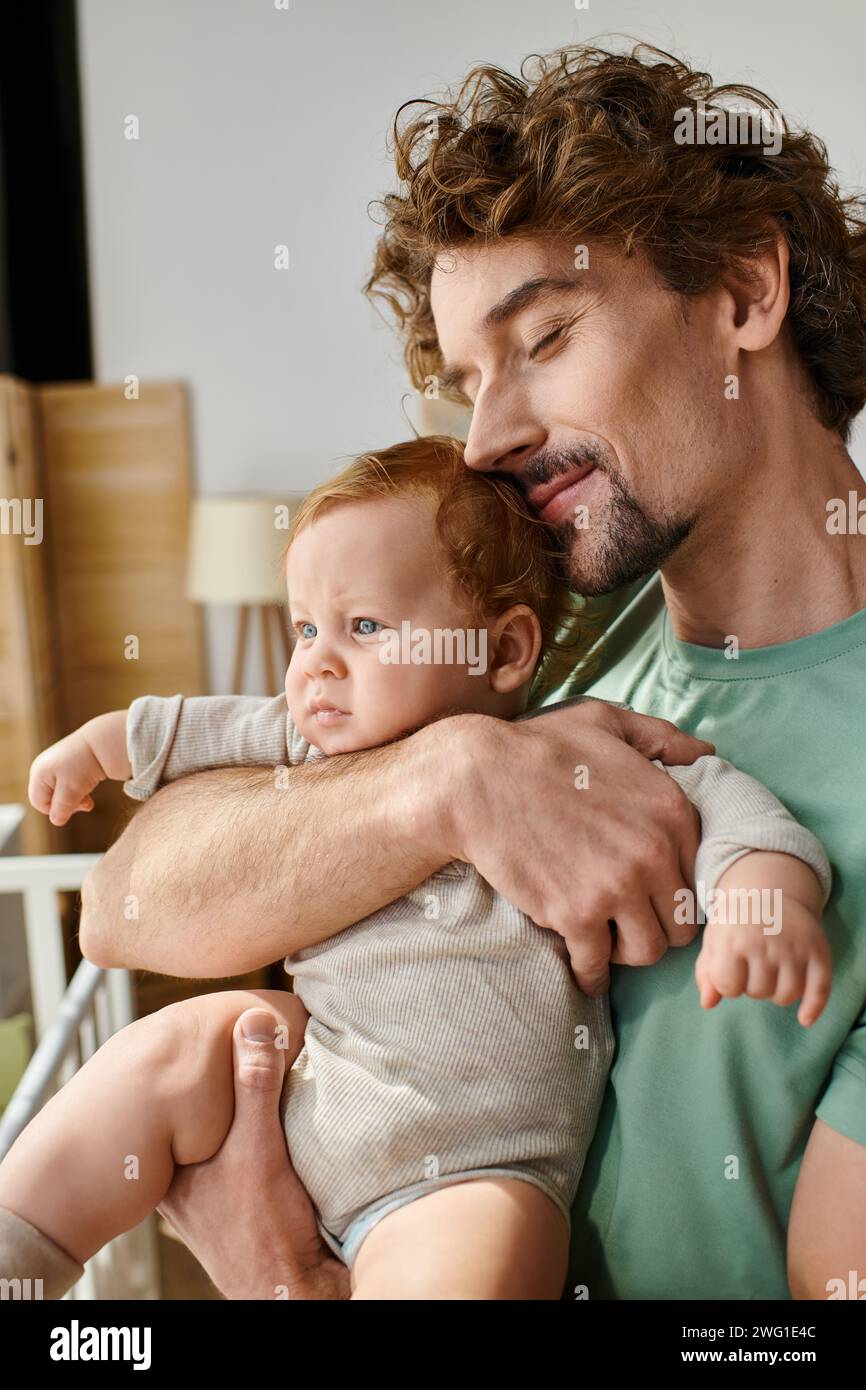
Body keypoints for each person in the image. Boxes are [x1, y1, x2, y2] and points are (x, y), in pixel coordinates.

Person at [78, 43, 866, 1299]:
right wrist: (445, 779)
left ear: (741, 290)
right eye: (467, 383)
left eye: (543, 336)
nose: (488, 439)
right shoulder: (540, 637)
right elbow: (128, 906)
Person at [0, 440, 832, 1299]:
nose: (316, 662)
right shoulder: (310, 740)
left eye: (364, 627)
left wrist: (766, 897)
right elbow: (193, 733)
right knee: (171, 1049)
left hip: (471, 1166)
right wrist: (100, 747)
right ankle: (20, 1254)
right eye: (305, 629)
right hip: (307, 1086)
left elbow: (727, 803)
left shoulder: (583, 758)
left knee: (479, 1261)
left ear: (504, 652)